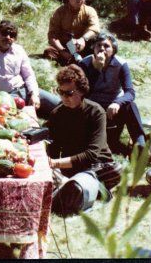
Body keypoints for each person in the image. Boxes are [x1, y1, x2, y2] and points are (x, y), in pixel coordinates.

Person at [47, 65, 118, 216]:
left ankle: (76, 188)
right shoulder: (56, 114)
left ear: (81, 90)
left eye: (69, 93)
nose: (64, 97)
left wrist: (55, 164)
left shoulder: (96, 112)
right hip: (71, 166)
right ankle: (78, 189)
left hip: (97, 164)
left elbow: (92, 154)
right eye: (61, 92)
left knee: (114, 171)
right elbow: (52, 149)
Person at [0, 19, 60, 117]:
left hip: (25, 90)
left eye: (12, 35)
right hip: (4, 97)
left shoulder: (19, 50)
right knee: (19, 120)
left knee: (60, 105)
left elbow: (28, 75)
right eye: (4, 33)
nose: (8, 37)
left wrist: (34, 94)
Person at [79, 33, 146, 155]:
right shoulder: (85, 63)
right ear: (93, 48)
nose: (102, 48)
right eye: (98, 45)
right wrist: (97, 70)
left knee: (131, 106)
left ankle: (141, 145)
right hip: (92, 106)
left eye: (106, 46)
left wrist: (117, 103)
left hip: (113, 108)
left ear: (113, 50)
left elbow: (130, 92)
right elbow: (83, 91)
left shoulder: (120, 64)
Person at [44, 0, 100, 65]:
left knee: (98, 46)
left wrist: (83, 39)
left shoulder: (89, 11)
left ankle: (80, 60)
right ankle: (72, 59)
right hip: (65, 46)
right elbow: (53, 35)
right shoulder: (60, 12)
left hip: (82, 45)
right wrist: (62, 51)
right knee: (49, 51)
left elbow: (95, 28)